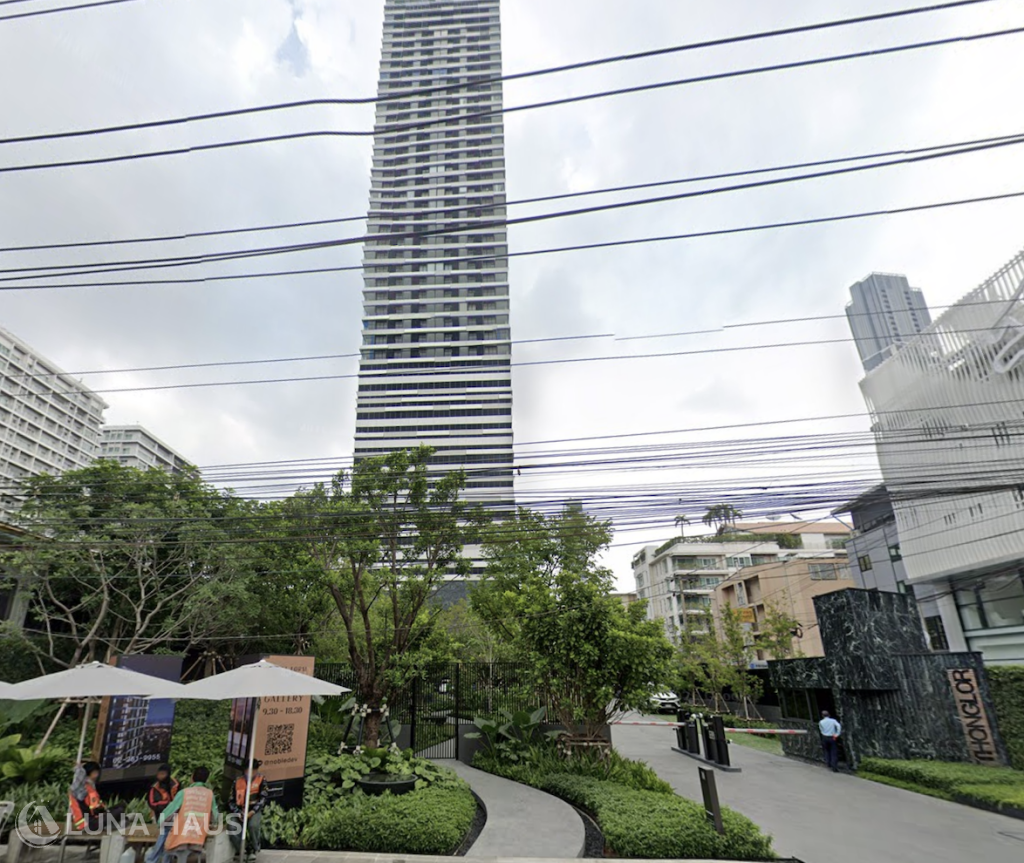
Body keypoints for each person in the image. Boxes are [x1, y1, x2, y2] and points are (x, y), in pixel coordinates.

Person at [147, 767, 219, 863]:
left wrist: (160, 822)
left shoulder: (184, 793)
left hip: (181, 835)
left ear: (192, 777)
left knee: (166, 828)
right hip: (199, 836)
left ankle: (152, 860)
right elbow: (215, 816)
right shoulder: (210, 794)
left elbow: (168, 812)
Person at [228, 760, 269, 859]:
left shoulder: (261, 780)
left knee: (253, 826)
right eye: (248, 771)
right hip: (239, 811)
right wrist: (238, 813)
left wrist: (252, 812)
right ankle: (243, 849)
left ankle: (254, 848)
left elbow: (263, 799)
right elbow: (231, 801)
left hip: (254, 810)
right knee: (232, 826)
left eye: (253, 771)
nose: (250, 773)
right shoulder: (237, 781)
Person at [68, 761, 124, 832]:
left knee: (119, 807)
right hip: (89, 823)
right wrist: (105, 811)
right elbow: (96, 809)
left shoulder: (81, 788)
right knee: (119, 810)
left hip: (88, 821)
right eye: (95, 773)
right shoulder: (87, 789)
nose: (97, 775)